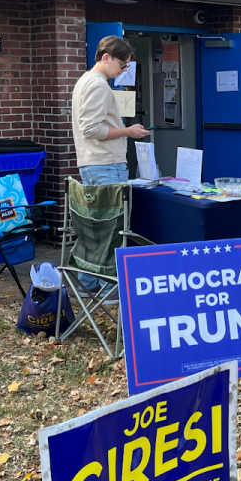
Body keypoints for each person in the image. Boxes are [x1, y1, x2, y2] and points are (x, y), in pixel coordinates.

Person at [73, 35, 150, 290]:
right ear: (106, 57)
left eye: (126, 66)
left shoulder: (85, 81)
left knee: (95, 229)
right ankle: (107, 289)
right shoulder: (98, 85)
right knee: (112, 230)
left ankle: (87, 284)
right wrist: (128, 131)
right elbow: (91, 129)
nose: (123, 70)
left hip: (95, 163)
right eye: (122, 64)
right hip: (105, 164)